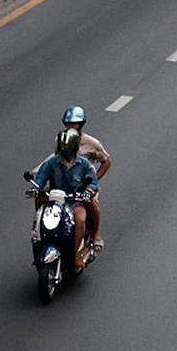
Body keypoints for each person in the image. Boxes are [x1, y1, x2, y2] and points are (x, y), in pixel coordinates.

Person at [32, 128, 99, 270]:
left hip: (74, 201)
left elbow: (93, 182)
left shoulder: (85, 165)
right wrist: (36, 188)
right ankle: (38, 243)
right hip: (55, 201)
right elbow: (41, 178)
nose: (65, 151)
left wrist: (88, 191)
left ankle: (75, 255)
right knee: (40, 218)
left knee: (80, 219)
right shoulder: (51, 163)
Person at [61, 105, 111, 251]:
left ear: (81, 124)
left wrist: (93, 180)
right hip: (64, 185)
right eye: (68, 123)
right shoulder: (61, 140)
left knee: (91, 203)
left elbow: (107, 161)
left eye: (74, 123)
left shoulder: (91, 143)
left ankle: (96, 233)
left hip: (84, 187)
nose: (70, 126)